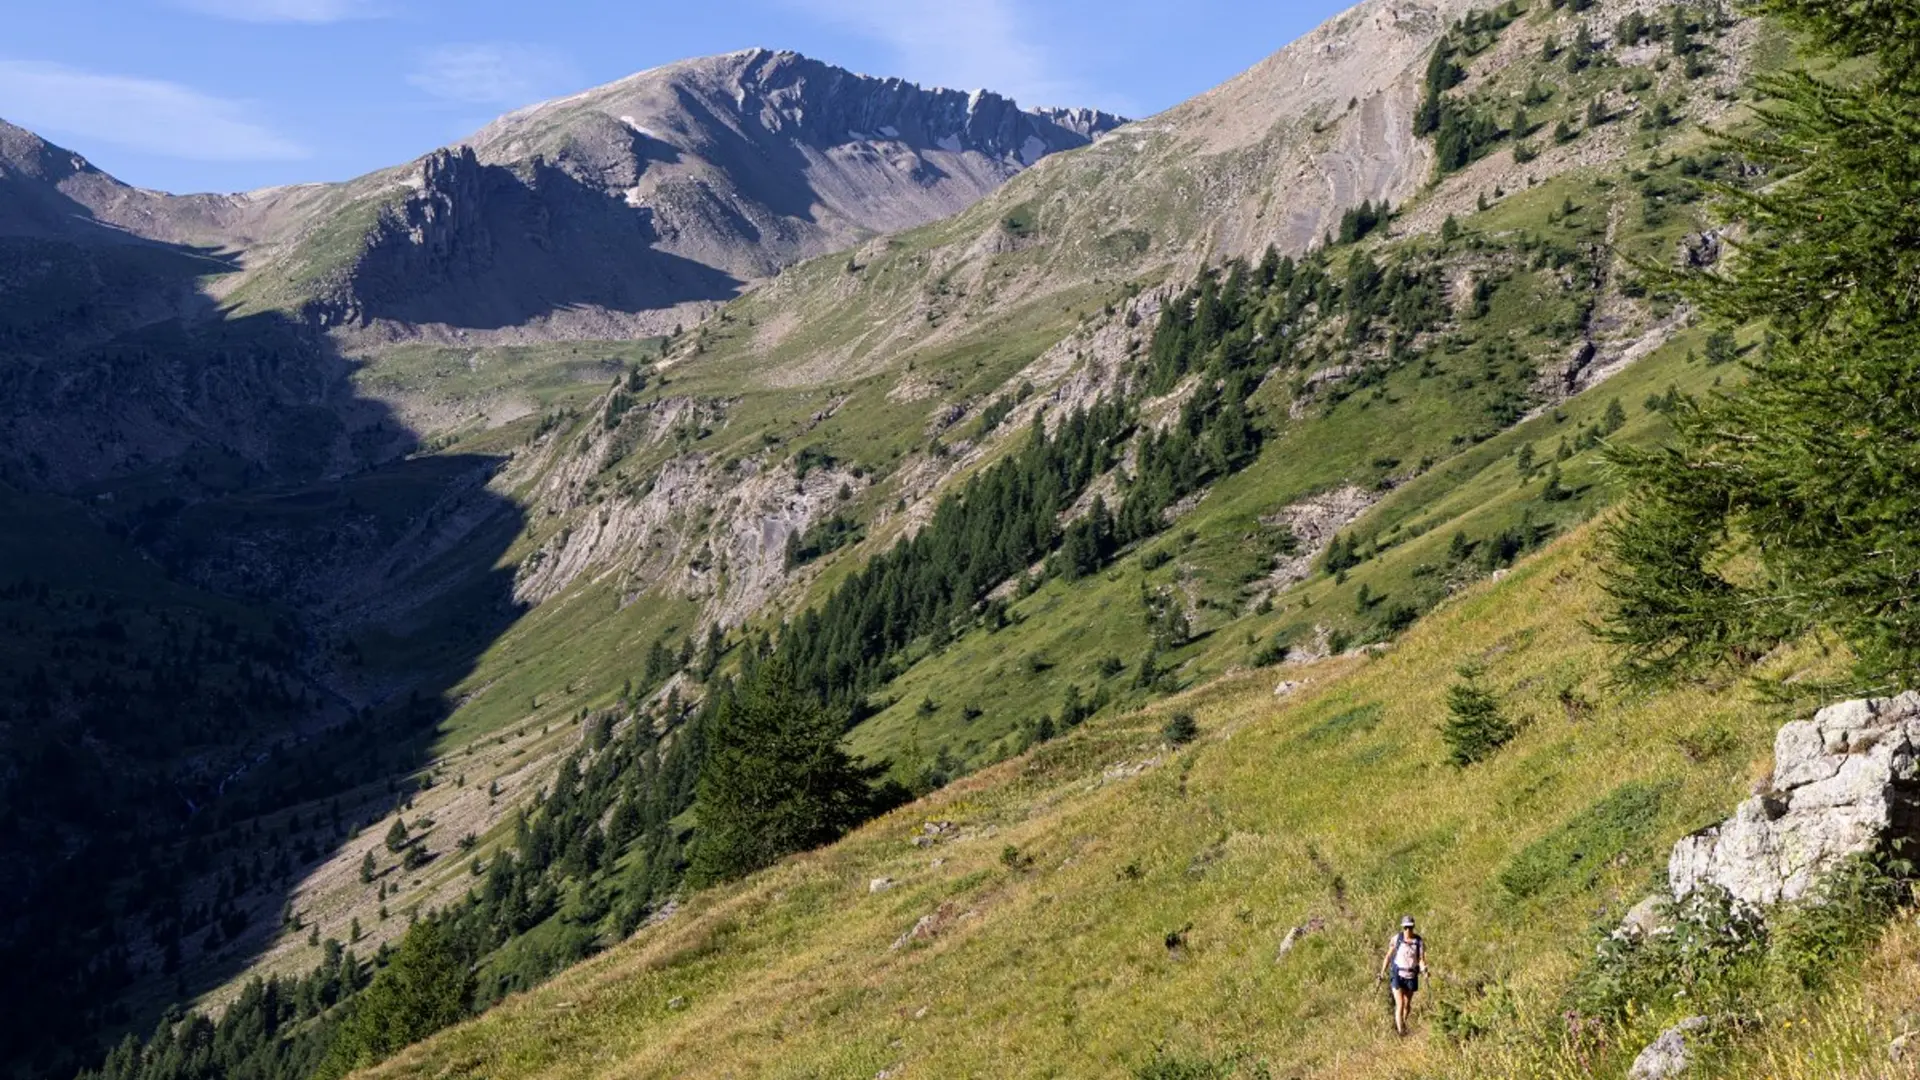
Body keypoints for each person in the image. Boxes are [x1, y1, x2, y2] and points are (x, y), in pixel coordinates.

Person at [1375, 915, 1428, 1036]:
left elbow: (1421, 959)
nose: (1407, 930)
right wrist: (1382, 972)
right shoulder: (1396, 939)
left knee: (1407, 1005)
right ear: (1403, 927)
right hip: (1397, 974)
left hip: (1411, 975)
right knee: (1400, 1003)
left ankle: (1403, 1022)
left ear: (1413, 927)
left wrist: (1424, 969)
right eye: (1405, 928)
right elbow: (1388, 955)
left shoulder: (1418, 942)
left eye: (1409, 927)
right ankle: (1401, 1032)